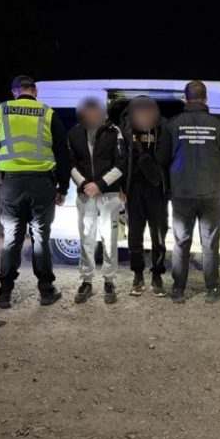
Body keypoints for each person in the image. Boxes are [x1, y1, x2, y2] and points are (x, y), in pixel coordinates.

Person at [0, 76, 71, 309]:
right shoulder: (47, 113)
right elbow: (63, 153)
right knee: (41, 237)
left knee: (11, 238)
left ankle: (4, 293)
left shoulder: (1, 111)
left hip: (11, 183)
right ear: (35, 91)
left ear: (14, 91)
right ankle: (46, 291)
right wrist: (63, 187)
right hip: (42, 183)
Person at [157, 80, 220, 304]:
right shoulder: (219, 125)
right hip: (211, 192)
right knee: (210, 243)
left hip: (182, 192)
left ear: (186, 99)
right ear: (206, 98)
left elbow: (162, 158)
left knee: (181, 242)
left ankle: (178, 289)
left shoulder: (173, 125)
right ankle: (212, 288)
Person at [68, 98, 126, 304]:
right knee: (86, 238)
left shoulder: (114, 132)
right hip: (86, 193)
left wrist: (100, 185)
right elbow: (71, 164)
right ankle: (87, 281)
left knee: (109, 238)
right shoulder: (74, 133)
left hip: (108, 193)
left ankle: (109, 281)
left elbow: (121, 163)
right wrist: (86, 184)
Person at [121, 96, 169, 297]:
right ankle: (138, 275)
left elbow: (167, 158)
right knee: (135, 234)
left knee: (159, 234)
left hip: (156, 188)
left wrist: (167, 187)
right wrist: (121, 187)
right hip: (133, 189)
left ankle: (157, 275)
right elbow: (122, 159)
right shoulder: (126, 129)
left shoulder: (162, 128)